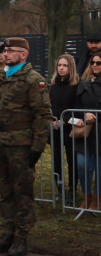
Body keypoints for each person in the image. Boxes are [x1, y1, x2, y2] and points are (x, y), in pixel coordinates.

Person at [0, 38, 51, 256]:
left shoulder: (34, 80)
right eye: (4, 51)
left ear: (23, 55)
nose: (5, 54)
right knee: (5, 191)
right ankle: (8, 232)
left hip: (21, 144)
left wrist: (37, 147)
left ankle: (21, 237)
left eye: (10, 51)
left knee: (22, 192)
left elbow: (42, 115)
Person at [48, 53, 79, 206]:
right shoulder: (52, 85)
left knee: (72, 161)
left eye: (65, 65)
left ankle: (72, 191)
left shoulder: (76, 85)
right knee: (56, 161)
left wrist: (65, 121)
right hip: (54, 128)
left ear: (70, 67)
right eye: (59, 65)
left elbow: (78, 107)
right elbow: (49, 105)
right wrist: (51, 121)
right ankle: (61, 190)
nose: (61, 68)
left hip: (71, 129)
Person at [71, 54, 101, 210]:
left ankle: (97, 198)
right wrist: (84, 114)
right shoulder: (83, 83)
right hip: (85, 133)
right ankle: (86, 195)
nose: (95, 65)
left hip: (100, 131)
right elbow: (74, 105)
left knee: (99, 168)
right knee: (82, 165)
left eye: (98, 62)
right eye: (92, 62)